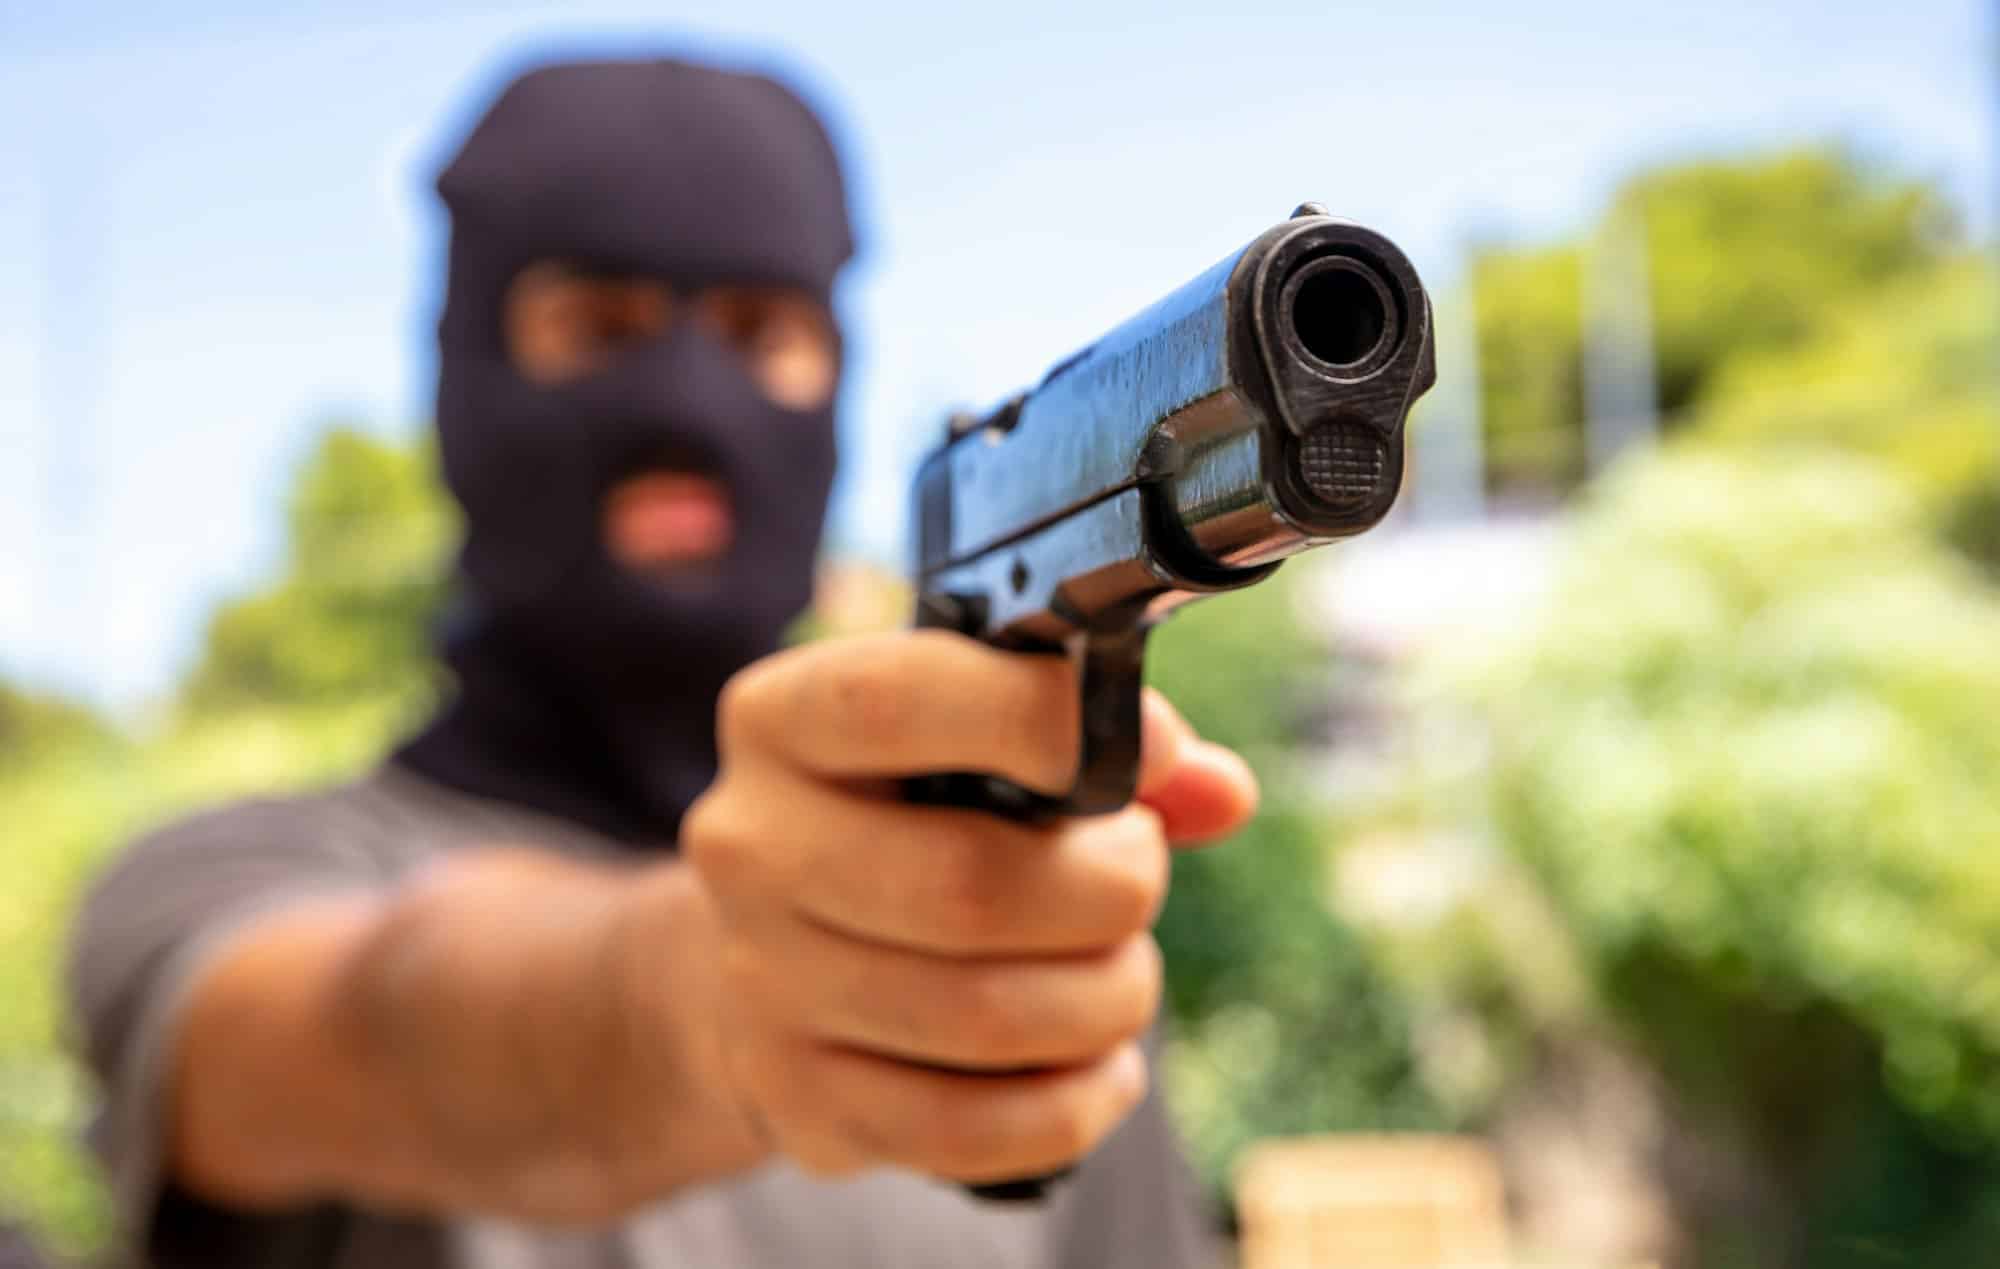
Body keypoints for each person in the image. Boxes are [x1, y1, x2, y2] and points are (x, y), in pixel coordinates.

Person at [67, 55, 1260, 1269]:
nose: (689, 404)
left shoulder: (1006, 927)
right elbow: (369, 1023)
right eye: (602, 327)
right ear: (463, 369)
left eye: (760, 331)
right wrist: (712, 1006)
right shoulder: (214, 889)